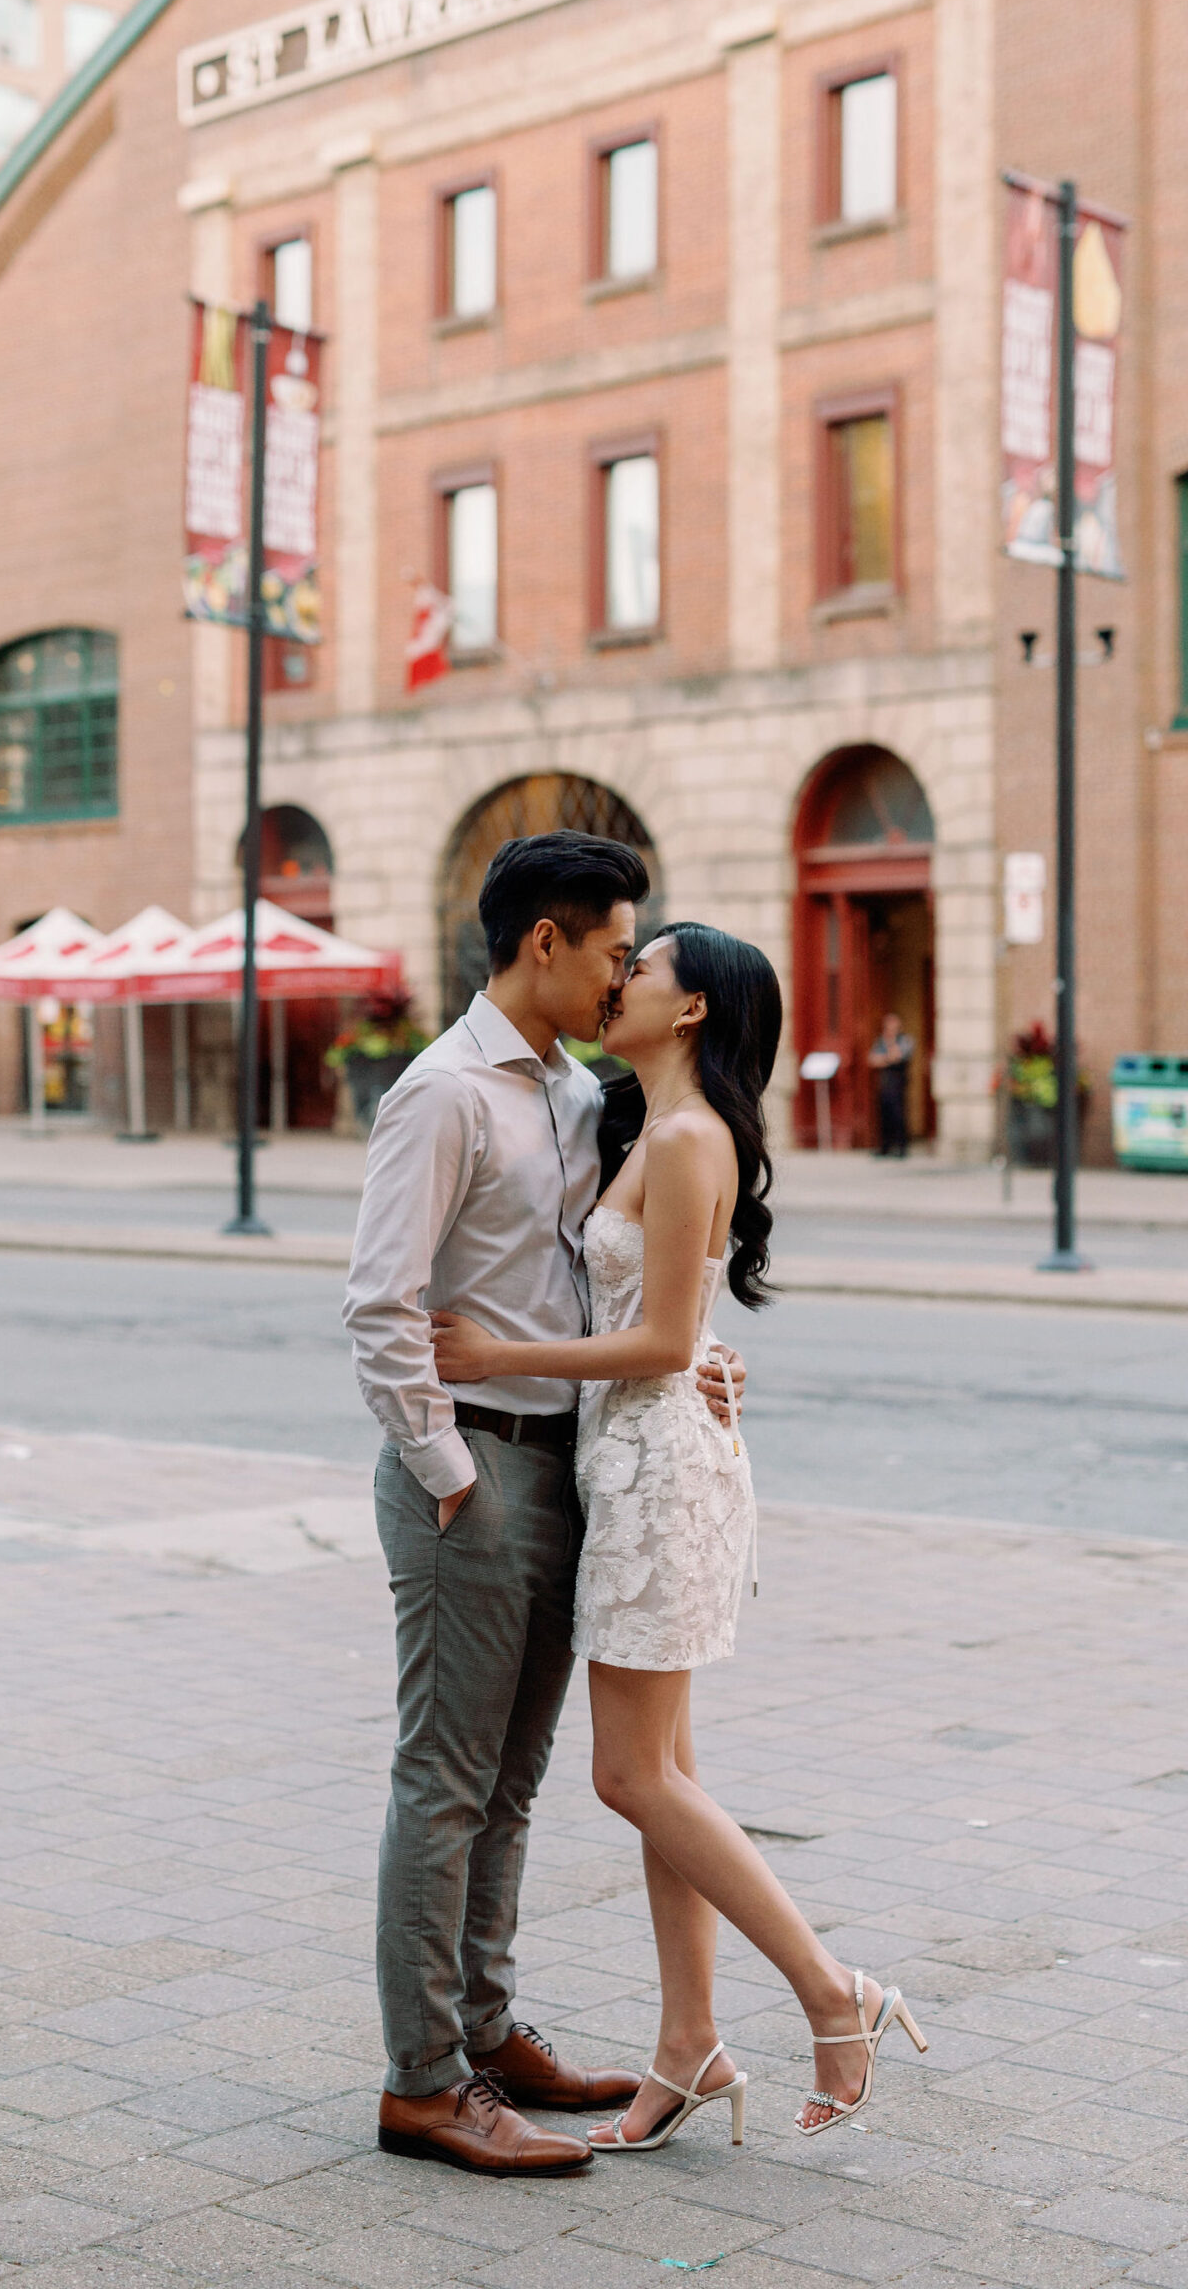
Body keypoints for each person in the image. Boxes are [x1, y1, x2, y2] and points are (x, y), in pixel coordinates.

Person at [434, 924, 927, 2148]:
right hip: (635, 1459)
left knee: (628, 1774)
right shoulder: (639, 1128)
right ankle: (687, 2045)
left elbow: (657, 1340)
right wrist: (704, 1353)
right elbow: (675, 1325)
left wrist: (496, 1356)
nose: (618, 982)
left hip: (657, 1476)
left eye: (639, 969)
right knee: (667, 1780)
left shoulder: (692, 1137)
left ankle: (832, 1993)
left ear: (694, 1008)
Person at [342, 832, 746, 2177]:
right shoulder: (442, 1094)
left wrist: (694, 1357)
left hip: (570, 1464)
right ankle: (421, 2084)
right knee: (445, 1780)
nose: (622, 969)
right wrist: (448, 1475)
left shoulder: (579, 1095)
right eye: (613, 947)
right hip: (476, 1473)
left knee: (509, 1786)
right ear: (544, 944)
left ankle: (487, 2031)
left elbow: (615, 1290)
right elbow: (381, 1308)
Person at [868, 1009, 915, 1157]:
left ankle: (901, 1147)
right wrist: (888, 1058)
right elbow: (872, 1059)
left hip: (898, 1082)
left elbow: (899, 1056)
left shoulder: (905, 1040)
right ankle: (885, 1147)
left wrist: (884, 1058)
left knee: (899, 1115)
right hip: (885, 1082)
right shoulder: (881, 1040)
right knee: (884, 1115)